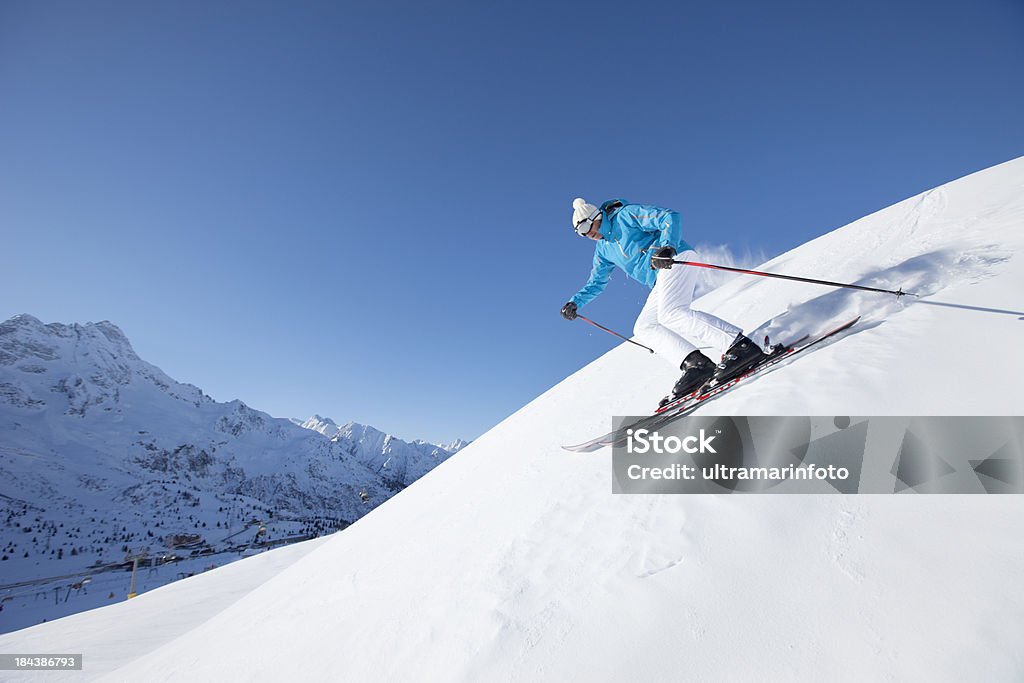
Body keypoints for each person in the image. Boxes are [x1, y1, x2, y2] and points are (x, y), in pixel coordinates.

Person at [561, 197, 768, 404]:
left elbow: (669, 217)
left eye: (587, 226)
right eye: (581, 233)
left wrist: (667, 247)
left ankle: (740, 347)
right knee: (644, 327)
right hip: (659, 278)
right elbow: (597, 281)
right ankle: (696, 366)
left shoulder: (625, 215)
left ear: (596, 216)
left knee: (671, 313)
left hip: (675, 259)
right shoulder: (603, 249)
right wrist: (575, 302)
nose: (588, 233)